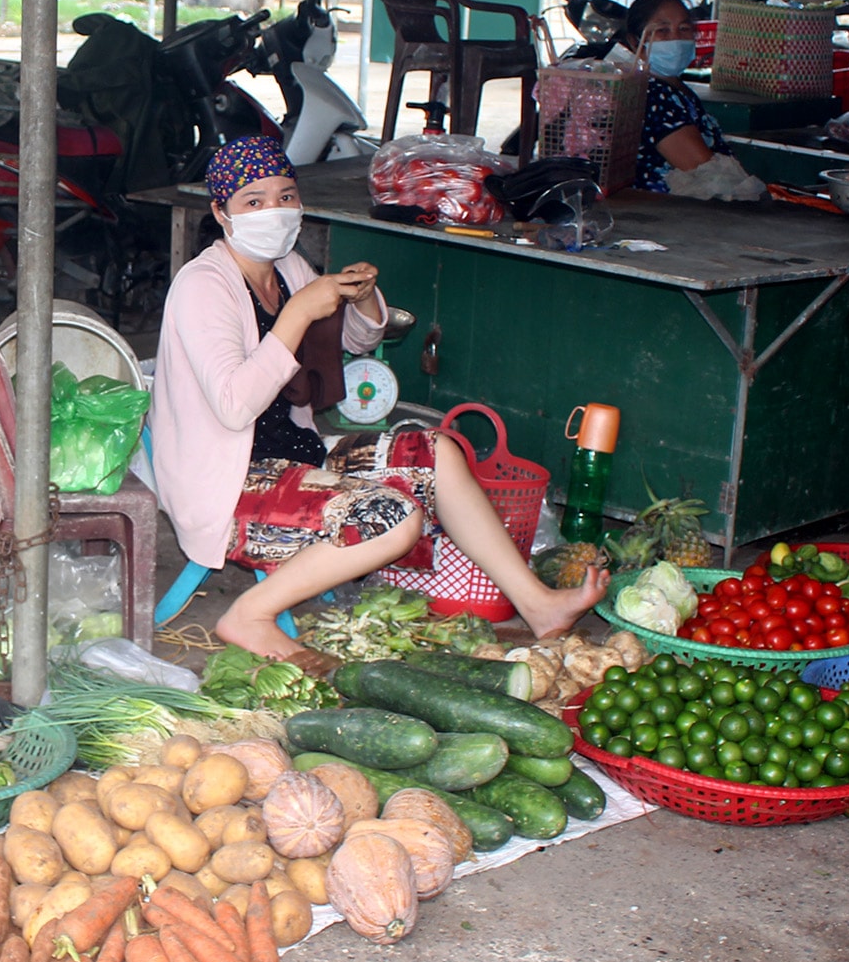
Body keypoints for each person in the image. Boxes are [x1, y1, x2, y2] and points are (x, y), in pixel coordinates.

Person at [148, 136, 609, 665]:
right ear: (221, 212)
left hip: (294, 453)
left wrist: (364, 299)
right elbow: (233, 407)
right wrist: (298, 313)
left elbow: (353, 343)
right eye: (253, 202)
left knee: (439, 451)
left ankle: (538, 603)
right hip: (227, 480)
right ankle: (249, 616)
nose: (273, 211)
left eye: (285, 196)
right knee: (392, 518)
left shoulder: (287, 269)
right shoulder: (203, 285)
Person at [606, 0, 767, 201]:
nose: (676, 38)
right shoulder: (652, 94)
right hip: (666, 213)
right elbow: (702, 170)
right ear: (636, 41)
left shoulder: (677, 88)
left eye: (684, 28)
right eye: (662, 31)